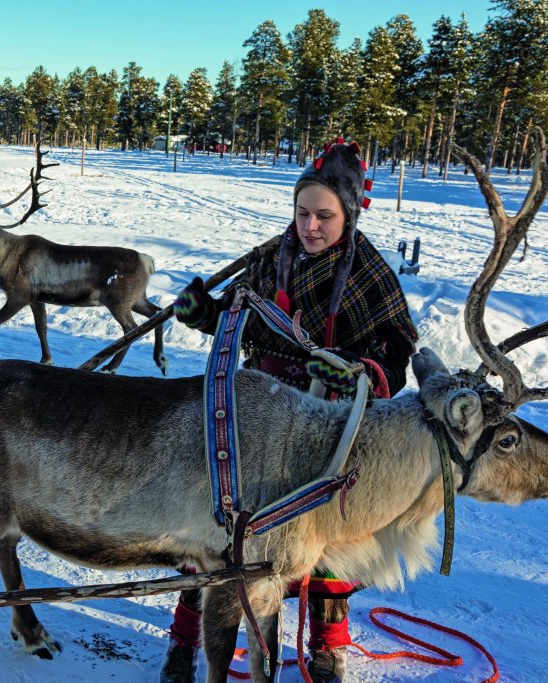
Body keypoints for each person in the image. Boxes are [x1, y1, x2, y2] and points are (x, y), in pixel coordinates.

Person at [165, 139, 419, 683]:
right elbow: (239, 316)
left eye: (324, 216)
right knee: (215, 531)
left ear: (349, 214)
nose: (310, 226)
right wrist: (204, 312)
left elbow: (396, 354)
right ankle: (183, 644)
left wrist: (360, 373)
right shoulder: (268, 260)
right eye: (302, 213)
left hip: (329, 424)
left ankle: (326, 651)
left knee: (322, 537)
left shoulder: (371, 275)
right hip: (256, 417)